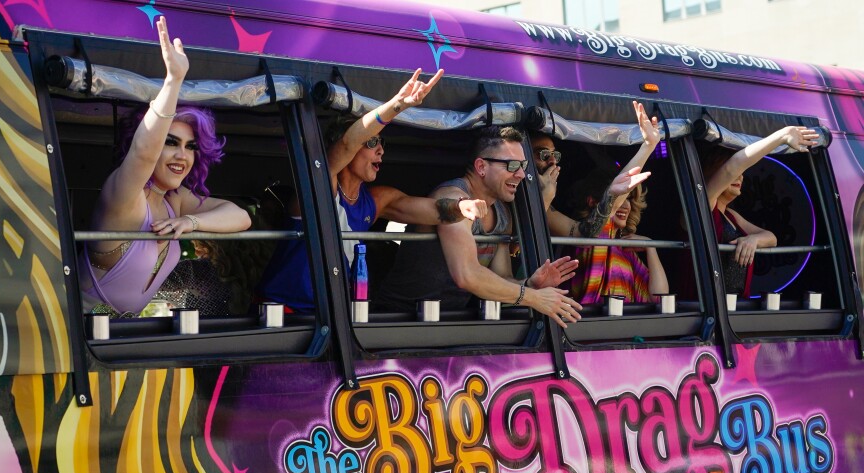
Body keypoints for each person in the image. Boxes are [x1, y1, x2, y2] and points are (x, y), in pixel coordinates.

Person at [258, 69, 488, 312]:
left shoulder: (376, 200)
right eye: (371, 142)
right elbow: (349, 141)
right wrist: (398, 104)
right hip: (281, 312)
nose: (381, 151)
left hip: (329, 314)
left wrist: (461, 206)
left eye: (381, 143)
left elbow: (435, 211)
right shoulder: (322, 182)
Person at [79, 16, 252, 316]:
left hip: (127, 339)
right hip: (73, 337)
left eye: (191, 147)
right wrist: (173, 81)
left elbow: (241, 217)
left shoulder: (175, 201)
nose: (182, 156)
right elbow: (143, 154)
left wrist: (190, 222)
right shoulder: (125, 194)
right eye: (171, 143)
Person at [376, 126, 582, 328]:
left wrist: (529, 284)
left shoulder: (502, 214)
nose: (521, 174)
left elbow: (501, 278)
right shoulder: (454, 199)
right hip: (397, 320)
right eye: (511, 165)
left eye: (523, 165)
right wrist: (534, 298)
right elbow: (467, 275)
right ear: (481, 167)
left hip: (449, 321)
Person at [703, 125, 818, 296]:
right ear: (713, 171)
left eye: (743, 172)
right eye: (737, 172)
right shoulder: (705, 204)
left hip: (736, 304)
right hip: (707, 304)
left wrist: (753, 240)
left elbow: (772, 238)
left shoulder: (731, 215)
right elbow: (731, 168)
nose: (740, 176)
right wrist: (782, 136)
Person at [538, 101, 658, 240]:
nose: (552, 161)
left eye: (555, 155)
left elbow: (584, 233)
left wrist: (648, 146)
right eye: (543, 154)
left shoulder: (546, 207)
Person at [563, 178, 668, 303]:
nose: (626, 205)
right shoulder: (586, 242)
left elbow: (659, 298)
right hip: (588, 316)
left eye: (629, 199)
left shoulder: (626, 252)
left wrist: (650, 247)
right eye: (619, 199)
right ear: (592, 202)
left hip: (624, 316)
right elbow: (603, 219)